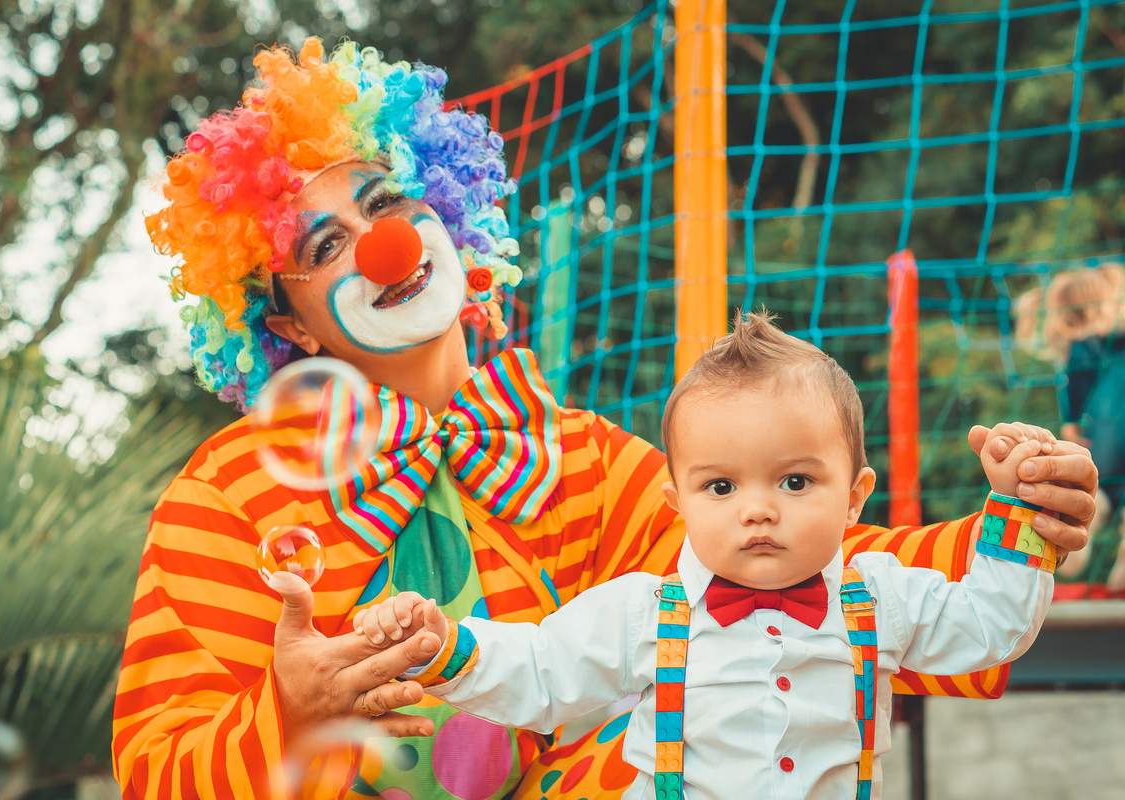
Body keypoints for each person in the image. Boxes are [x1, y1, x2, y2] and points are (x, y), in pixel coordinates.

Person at [112, 38, 1098, 800]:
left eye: (390, 202)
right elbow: (156, 767)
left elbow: (810, 563)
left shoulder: (580, 460)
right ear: (284, 321)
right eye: (326, 246)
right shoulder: (226, 499)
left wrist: (1016, 526)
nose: (383, 248)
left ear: (448, 209)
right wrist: (286, 710)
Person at [355, 312, 1057, 799]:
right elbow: (540, 673)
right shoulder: (644, 612)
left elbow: (992, 625)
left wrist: (1020, 510)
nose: (758, 509)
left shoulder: (882, 598)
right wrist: (445, 645)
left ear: (854, 498)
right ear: (677, 504)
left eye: (795, 481)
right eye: (721, 487)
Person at [1015, 264, 1125, 587]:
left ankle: (1080, 532)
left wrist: (1073, 424)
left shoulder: (1082, 344)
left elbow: (1076, 384)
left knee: (1099, 489)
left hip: (1106, 430)